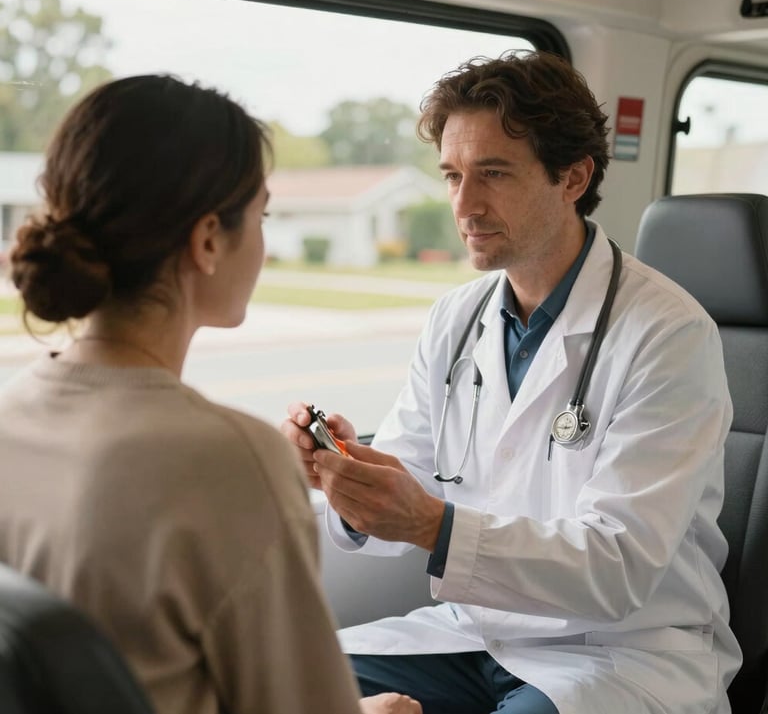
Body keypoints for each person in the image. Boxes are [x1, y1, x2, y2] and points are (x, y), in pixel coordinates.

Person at [282, 51, 742, 714]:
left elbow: (619, 566)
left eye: (493, 174)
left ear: (573, 177)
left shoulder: (668, 333)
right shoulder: (455, 318)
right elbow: (411, 479)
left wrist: (433, 525)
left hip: (621, 648)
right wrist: (345, 473)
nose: (464, 205)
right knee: (282, 678)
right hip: (478, 630)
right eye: (451, 176)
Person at [0, 75, 421, 714]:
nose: (264, 242)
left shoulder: (12, 413)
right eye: (262, 216)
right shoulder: (231, 459)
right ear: (206, 241)